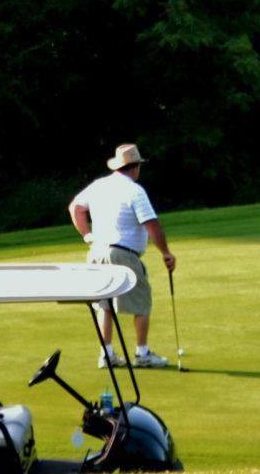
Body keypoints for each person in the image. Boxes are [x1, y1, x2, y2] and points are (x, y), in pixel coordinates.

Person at [69, 143, 177, 368]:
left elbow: (75, 208)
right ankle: (142, 353)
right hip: (123, 253)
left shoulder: (99, 185)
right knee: (141, 301)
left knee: (104, 305)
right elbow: (152, 225)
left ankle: (107, 355)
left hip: (97, 251)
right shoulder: (135, 191)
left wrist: (88, 236)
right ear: (136, 167)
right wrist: (166, 253)